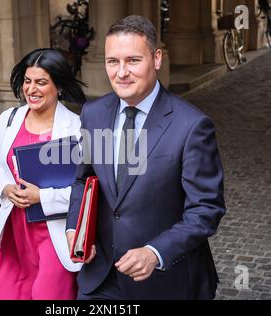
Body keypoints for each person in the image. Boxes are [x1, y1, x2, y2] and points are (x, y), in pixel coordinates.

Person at [66, 15, 226, 299]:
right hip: (101, 278)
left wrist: (155, 252)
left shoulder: (192, 126)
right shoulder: (93, 114)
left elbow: (205, 210)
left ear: (157, 58)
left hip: (165, 282)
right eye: (112, 61)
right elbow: (84, 180)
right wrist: (76, 227)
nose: (121, 72)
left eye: (133, 61)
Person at [0, 48, 86, 300]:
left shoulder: (76, 129)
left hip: (54, 233)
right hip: (14, 232)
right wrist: (6, 188)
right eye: (27, 81)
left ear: (59, 87)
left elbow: (85, 190)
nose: (31, 89)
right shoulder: (8, 119)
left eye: (41, 82)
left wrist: (42, 196)